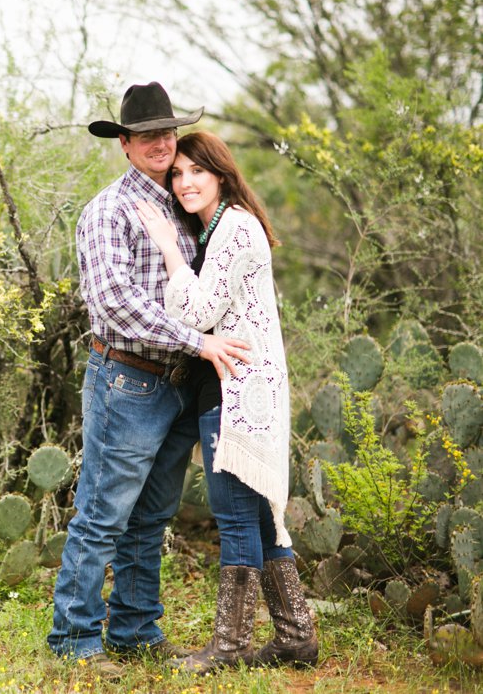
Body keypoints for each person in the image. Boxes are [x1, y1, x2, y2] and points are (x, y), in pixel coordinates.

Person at [47, 82, 250, 676]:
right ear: (126, 145)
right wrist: (200, 341)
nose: (160, 143)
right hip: (127, 380)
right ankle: (75, 640)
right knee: (103, 514)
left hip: (180, 382)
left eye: (167, 132)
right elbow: (114, 303)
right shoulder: (108, 211)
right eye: (146, 136)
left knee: (152, 515)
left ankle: (136, 628)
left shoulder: (184, 205)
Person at [135, 130, 318, 673]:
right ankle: (296, 636)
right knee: (257, 517)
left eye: (197, 172)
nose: (185, 182)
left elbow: (197, 313)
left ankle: (230, 646)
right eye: (178, 174)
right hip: (237, 388)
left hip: (238, 393)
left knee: (236, 520)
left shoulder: (234, 227)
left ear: (221, 174)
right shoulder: (220, 227)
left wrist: (169, 251)